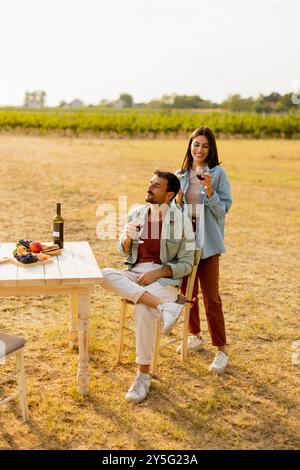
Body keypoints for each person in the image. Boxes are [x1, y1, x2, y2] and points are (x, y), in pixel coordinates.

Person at [102, 170, 195, 403]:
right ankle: (165, 307)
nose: (149, 188)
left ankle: (143, 376)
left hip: (163, 280)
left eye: (156, 186)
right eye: (150, 183)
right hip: (134, 274)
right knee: (103, 275)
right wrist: (127, 238)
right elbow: (122, 251)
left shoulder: (181, 221)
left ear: (169, 195)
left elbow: (186, 264)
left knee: (143, 309)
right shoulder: (136, 214)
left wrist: (159, 272)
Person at [175, 126, 232, 374]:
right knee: (187, 293)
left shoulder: (218, 174)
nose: (199, 150)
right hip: (186, 243)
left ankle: (221, 349)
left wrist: (209, 191)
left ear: (211, 149)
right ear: (190, 145)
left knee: (212, 297)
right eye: (196, 144)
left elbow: (222, 211)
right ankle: (195, 335)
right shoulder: (179, 175)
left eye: (205, 146)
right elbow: (174, 211)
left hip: (207, 244)